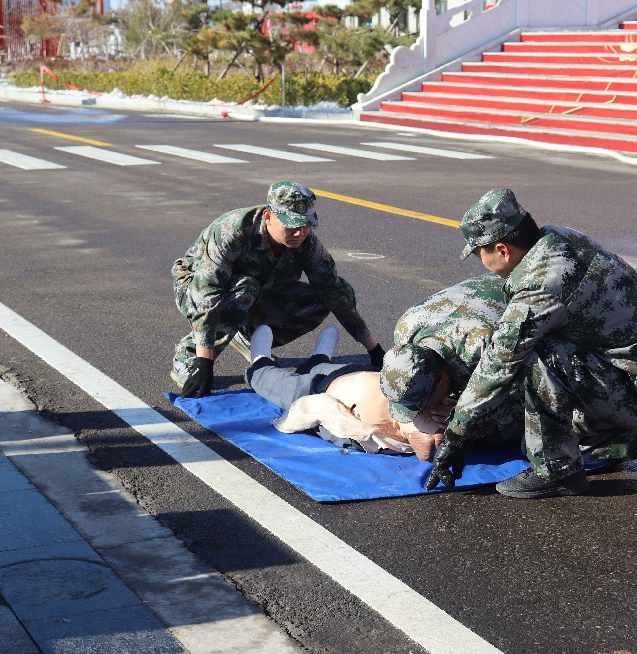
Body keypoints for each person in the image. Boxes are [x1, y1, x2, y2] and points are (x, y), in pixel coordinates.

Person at [426, 188, 637, 499]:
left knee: (536, 355)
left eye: (479, 252)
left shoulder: (541, 284)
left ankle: (557, 472)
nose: (479, 260)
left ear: (501, 249)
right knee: (549, 415)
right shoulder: (557, 238)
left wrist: (457, 436)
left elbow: (499, 362)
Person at [171, 181, 384, 398]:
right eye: (291, 225)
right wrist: (204, 359)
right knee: (246, 288)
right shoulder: (233, 231)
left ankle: (245, 335)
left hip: (257, 292)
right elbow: (206, 293)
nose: (299, 233)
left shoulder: (306, 242)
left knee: (323, 298)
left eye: (305, 224)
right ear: (268, 217)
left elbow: (333, 291)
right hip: (197, 288)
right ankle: (186, 356)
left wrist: (373, 349)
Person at [246, 325, 447, 459]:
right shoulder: (439, 398)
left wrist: (287, 422)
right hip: (359, 374)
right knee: (322, 368)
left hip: (325, 394)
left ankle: (260, 360)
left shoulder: (400, 431)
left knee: (270, 380)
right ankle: (319, 359)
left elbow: (309, 410)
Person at [379, 273, 525, 446]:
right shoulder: (405, 330)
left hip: (532, 290)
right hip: (484, 293)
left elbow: (528, 399)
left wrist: (469, 417)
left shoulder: (489, 351)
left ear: (441, 381)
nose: (420, 413)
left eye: (422, 406)